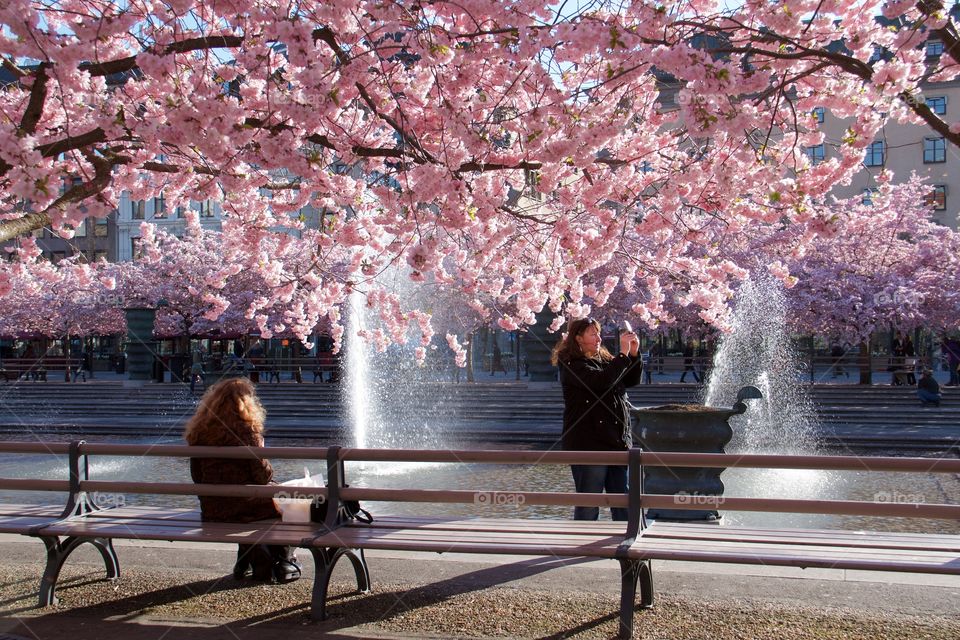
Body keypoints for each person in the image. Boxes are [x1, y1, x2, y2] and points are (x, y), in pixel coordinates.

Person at [184, 378, 300, 583]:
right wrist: (261, 450)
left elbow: (197, 477)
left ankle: (248, 560)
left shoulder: (200, 432)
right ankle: (284, 559)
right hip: (246, 509)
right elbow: (263, 478)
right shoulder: (247, 433)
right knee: (293, 505)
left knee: (257, 502)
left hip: (214, 509)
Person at [552, 317, 642, 521]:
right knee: (589, 502)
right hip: (588, 443)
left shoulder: (605, 360)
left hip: (616, 441)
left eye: (598, 333)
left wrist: (633, 354)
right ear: (578, 338)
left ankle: (625, 544)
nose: (599, 338)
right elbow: (601, 382)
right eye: (593, 334)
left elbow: (630, 380)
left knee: (623, 502)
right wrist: (622, 354)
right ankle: (584, 546)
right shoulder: (571, 364)